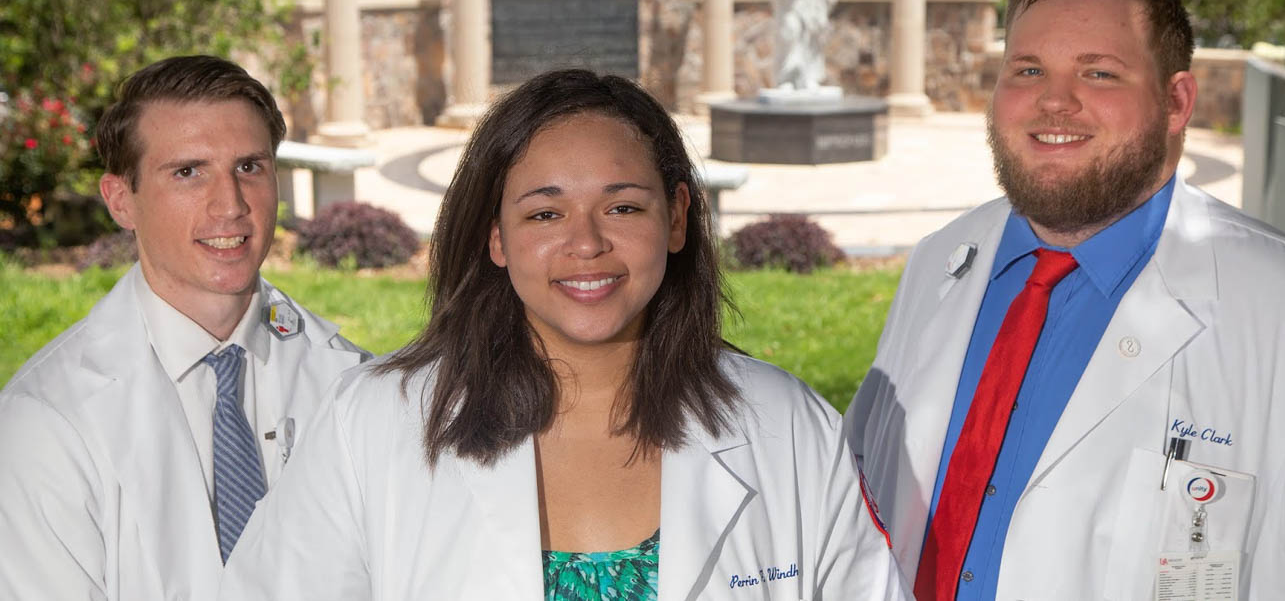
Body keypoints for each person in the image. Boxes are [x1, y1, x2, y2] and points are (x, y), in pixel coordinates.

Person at [218, 69, 907, 600]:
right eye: (545, 214)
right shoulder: (371, 423)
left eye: (623, 205)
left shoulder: (787, 426)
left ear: (675, 217)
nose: (587, 243)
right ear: (496, 235)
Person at [845, 0, 1285, 600]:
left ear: (1176, 102)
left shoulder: (1284, 305)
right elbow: (860, 500)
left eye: (1099, 72)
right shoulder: (940, 260)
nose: (1054, 100)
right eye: (1028, 69)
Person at [0, 55, 370, 600]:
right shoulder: (43, 423)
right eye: (188, 172)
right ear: (121, 200)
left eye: (249, 167)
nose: (231, 205)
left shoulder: (355, 382)